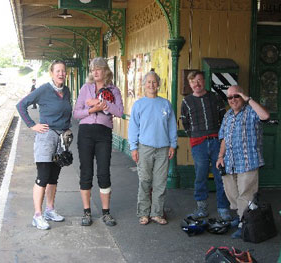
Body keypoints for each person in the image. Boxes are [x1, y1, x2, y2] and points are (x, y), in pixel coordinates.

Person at [16, 60, 72, 230]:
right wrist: (32, 125)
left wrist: (67, 130)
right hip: (46, 137)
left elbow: (66, 112)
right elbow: (21, 105)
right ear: (51, 73)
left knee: (54, 177)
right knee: (43, 176)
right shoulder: (44, 89)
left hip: (61, 139)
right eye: (58, 71)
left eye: (63, 71)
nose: (61, 73)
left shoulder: (66, 91)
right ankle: (37, 215)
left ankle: (50, 210)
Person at [73, 57, 123, 227]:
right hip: (85, 133)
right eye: (93, 69)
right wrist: (93, 109)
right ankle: (86, 212)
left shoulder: (114, 90)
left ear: (105, 71)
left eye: (98, 69)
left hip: (103, 133)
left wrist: (102, 103)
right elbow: (77, 113)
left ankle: (106, 213)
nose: (95, 72)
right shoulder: (85, 88)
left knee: (103, 171)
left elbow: (119, 111)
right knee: (86, 171)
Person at [216, 85, 270, 239]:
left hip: (248, 161)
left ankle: (244, 223)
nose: (233, 100)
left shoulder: (251, 111)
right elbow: (224, 138)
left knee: (246, 194)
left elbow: (265, 116)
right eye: (229, 97)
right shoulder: (227, 116)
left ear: (242, 96)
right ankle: (241, 216)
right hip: (229, 162)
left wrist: (248, 99)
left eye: (236, 96)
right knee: (232, 193)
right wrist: (220, 156)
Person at [180, 71, 231, 221]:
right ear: (190, 85)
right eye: (193, 82)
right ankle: (201, 208)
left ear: (204, 81)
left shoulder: (215, 98)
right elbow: (185, 122)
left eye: (199, 80)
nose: (197, 84)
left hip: (216, 141)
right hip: (198, 143)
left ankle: (223, 208)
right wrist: (195, 135)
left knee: (220, 175)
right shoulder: (187, 101)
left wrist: (221, 138)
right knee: (200, 176)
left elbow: (224, 118)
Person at [128, 71, 177, 225]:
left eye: (154, 82)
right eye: (148, 82)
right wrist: (133, 148)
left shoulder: (166, 104)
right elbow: (133, 127)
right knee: (144, 181)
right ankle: (143, 213)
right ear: (144, 85)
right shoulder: (139, 105)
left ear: (158, 84)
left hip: (163, 148)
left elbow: (172, 126)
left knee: (160, 182)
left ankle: (156, 213)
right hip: (144, 148)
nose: (151, 85)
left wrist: (173, 144)